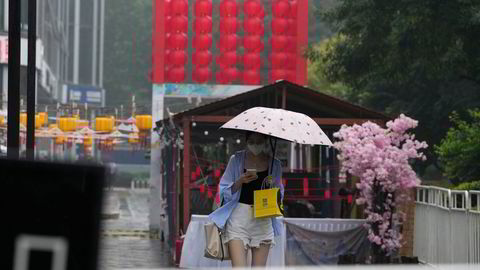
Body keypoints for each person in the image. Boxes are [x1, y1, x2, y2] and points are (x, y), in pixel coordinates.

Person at [209, 131, 284, 267]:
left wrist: (274, 189)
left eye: (259, 141)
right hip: (239, 219)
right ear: (246, 141)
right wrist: (240, 181)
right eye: (252, 141)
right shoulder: (236, 160)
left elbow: (280, 196)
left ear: (266, 141)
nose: (255, 145)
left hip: (263, 219)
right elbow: (223, 190)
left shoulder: (275, 164)